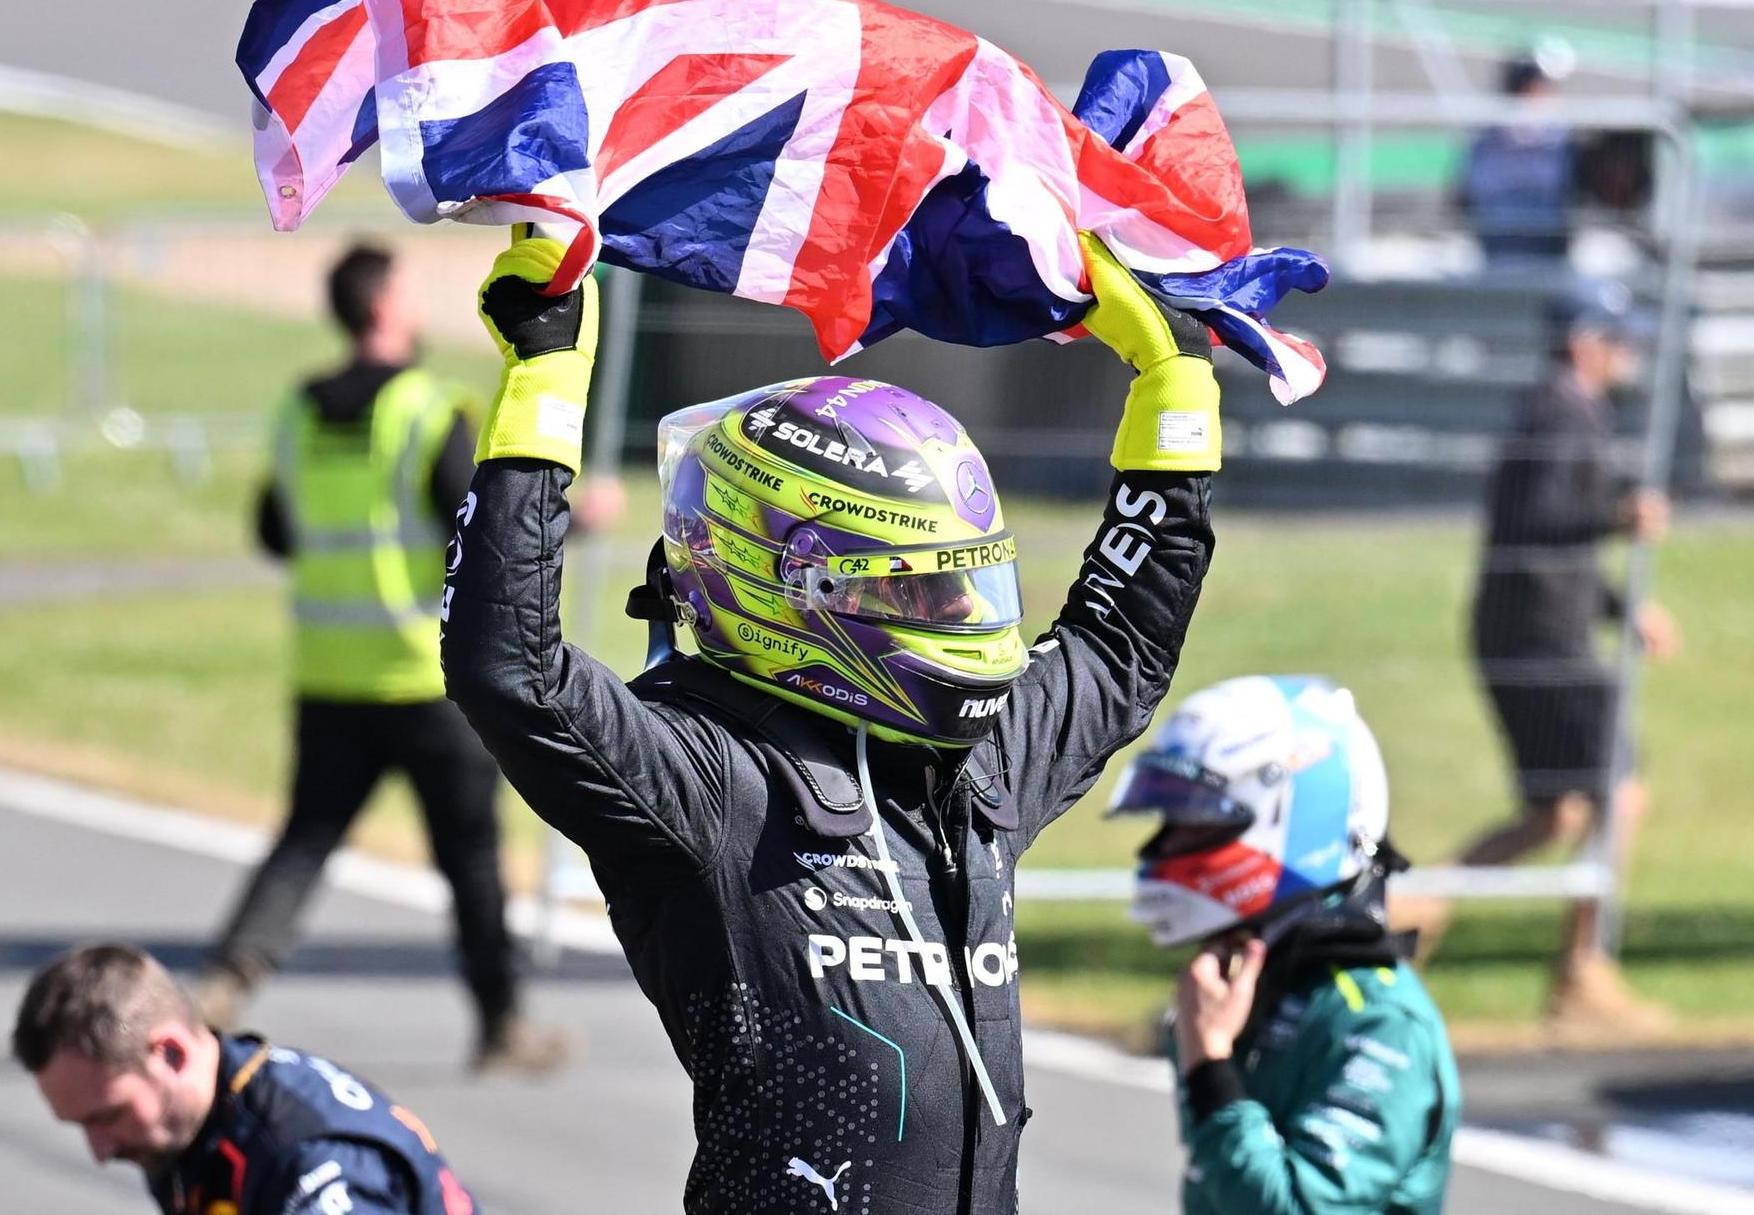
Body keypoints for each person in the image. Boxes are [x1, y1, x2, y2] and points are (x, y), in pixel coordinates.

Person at [438, 228, 1223, 1213]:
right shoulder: (711, 777)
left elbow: (1119, 649)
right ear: (792, 588)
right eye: (923, 593)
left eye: (969, 585)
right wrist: (544, 382)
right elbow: (511, 671)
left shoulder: (975, 764)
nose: (962, 620)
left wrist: (1173, 386)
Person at [195, 242, 563, 1073]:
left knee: (305, 839)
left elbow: (274, 530)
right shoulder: (427, 411)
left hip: (330, 673)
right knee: (470, 857)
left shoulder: (297, 411)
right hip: (427, 682)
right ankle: (502, 1024)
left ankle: (224, 980)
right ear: (385, 306)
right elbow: (482, 525)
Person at [1109, 675, 1460, 1215]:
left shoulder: (1380, 1021)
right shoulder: (1247, 982)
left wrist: (1210, 1067)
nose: (1165, 848)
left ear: (1298, 818)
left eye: (1192, 823)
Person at [1435, 281, 1680, 1027]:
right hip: (1540, 639)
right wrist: (1619, 513)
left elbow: (1545, 540)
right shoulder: (1558, 411)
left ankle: (1404, 916)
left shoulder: (1570, 410)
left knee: (1556, 813)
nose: (1626, 353)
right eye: (1615, 337)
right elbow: (1537, 518)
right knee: (1620, 790)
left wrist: (1621, 608)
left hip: (1536, 630)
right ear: (1582, 342)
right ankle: (1583, 970)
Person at [13, 944, 477, 1215]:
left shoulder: (308, 1163)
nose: (100, 1150)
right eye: (81, 1125)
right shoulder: (196, 1125)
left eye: (108, 1116)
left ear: (171, 1053)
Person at [1458, 45, 1578, 268]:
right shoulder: (1488, 135)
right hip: (1500, 242)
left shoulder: (1559, 135)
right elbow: (1472, 191)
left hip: (1548, 242)